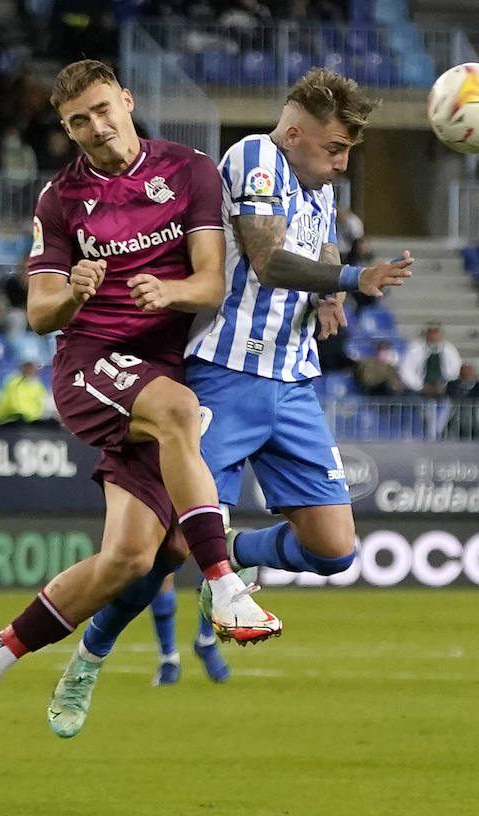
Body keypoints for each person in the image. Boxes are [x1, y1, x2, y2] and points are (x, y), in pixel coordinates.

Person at [38, 66, 412, 739]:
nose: (342, 162)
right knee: (158, 553)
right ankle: (88, 658)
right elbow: (267, 260)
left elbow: (313, 241)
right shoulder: (253, 158)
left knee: (334, 550)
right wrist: (352, 278)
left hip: (293, 384)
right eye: (334, 148)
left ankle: (231, 552)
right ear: (295, 134)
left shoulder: (316, 183)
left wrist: (326, 287)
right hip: (221, 377)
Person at [0, 60, 295, 747]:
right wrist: (74, 291)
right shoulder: (61, 200)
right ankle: (225, 583)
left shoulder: (190, 170)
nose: (95, 128)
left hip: (161, 364)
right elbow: (40, 310)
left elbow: (211, 283)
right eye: (78, 120)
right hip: (89, 366)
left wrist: (169, 294)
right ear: (67, 129)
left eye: (103, 109)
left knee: (134, 559)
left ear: (127, 101)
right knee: (178, 414)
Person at [400, 323, 461, 396]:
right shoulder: (414, 349)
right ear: (426, 336)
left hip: (444, 388)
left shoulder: (450, 350)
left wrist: (443, 386)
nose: (434, 339)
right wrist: (420, 387)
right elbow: (406, 370)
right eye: (431, 335)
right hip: (418, 389)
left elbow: (455, 369)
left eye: (436, 336)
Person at [0, 360, 55, 425]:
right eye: (28, 369)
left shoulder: (38, 386)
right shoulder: (14, 383)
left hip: (27, 419)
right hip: (8, 417)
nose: (30, 372)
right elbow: (14, 405)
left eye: (32, 370)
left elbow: (40, 406)